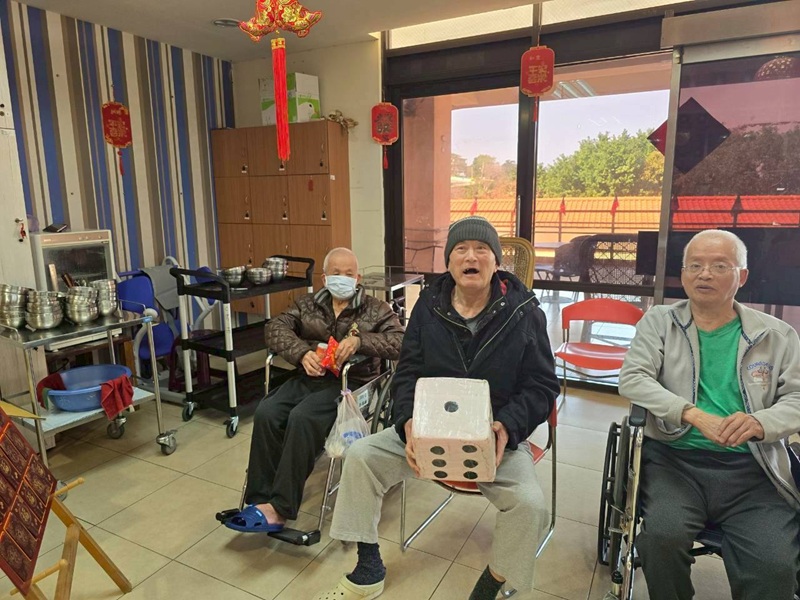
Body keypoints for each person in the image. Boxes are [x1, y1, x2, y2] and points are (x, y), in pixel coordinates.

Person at [312, 216, 560, 600]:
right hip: (428, 431)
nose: (471, 257)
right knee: (361, 456)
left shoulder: (524, 312)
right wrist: (408, 422)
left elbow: (542, 385)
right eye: (461, 249)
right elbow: (407, 372)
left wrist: (507, 426)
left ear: (496, 262)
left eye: (482, 249)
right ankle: (368, 568)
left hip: (496, 436)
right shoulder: (429, 307)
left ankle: (491, 584)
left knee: (530, 505)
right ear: (449, 262)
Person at [619, 229, 800, 600]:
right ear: (684, 274)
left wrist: (761, 422)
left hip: (753, 468)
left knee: (775, 565)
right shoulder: (659, 321)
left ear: (741, 276)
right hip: (674, 462)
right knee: (661, 538)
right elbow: (633, 378)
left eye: (720, 266)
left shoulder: (777, 335)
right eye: (695, 265)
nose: (705, 274)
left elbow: (796, 397)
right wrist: (691, 414)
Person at [224, 248, 404, 533]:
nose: (342, 279)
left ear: (358, 279)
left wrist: (360, 341)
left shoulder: (376, 309)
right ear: (324, 278)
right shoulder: (307, 304)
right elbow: (275, 327)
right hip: (311, 376)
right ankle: (259, 499)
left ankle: (280, 508)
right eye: (336, 273)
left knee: (303, 417)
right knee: (267, 411)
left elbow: (400, 341)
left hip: (351, 383)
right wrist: (302, 353)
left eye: (349, 274)